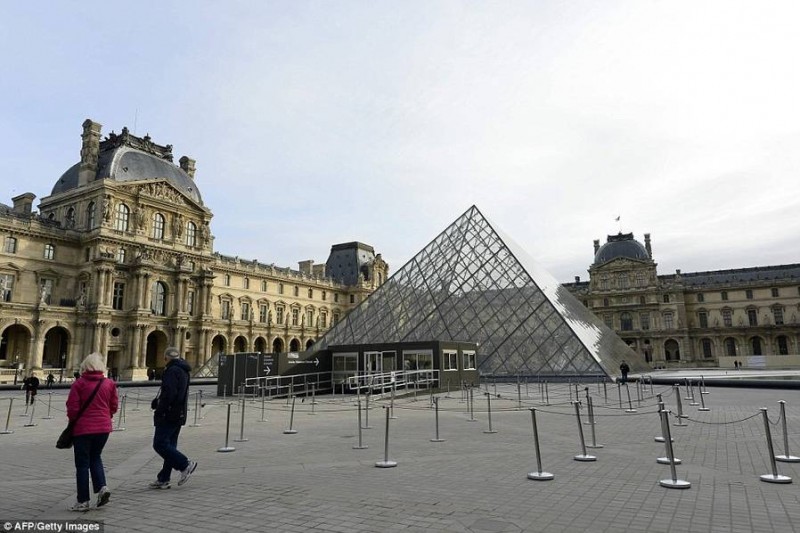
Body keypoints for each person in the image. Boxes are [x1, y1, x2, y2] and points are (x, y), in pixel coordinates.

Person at [66, 353, 118, 512]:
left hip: (83, 429)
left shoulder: (79, 384)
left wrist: (74, 421)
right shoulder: (109, 383)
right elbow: (114, 406)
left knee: (82, 464)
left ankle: (83, 501)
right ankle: (102, 487)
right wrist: (105, 417)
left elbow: (72, 408)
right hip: (103, 428)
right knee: (96, 457)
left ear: (85, 367)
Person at [150, 346, 197, 489]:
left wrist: (160, 410)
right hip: (179, 413)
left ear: (166, 358)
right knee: (170, 446)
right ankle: (164, 478)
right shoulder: (184, 370)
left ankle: (185, 464)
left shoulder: (171, 371)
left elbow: (169, 394)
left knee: (159, 444)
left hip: (169, 414)